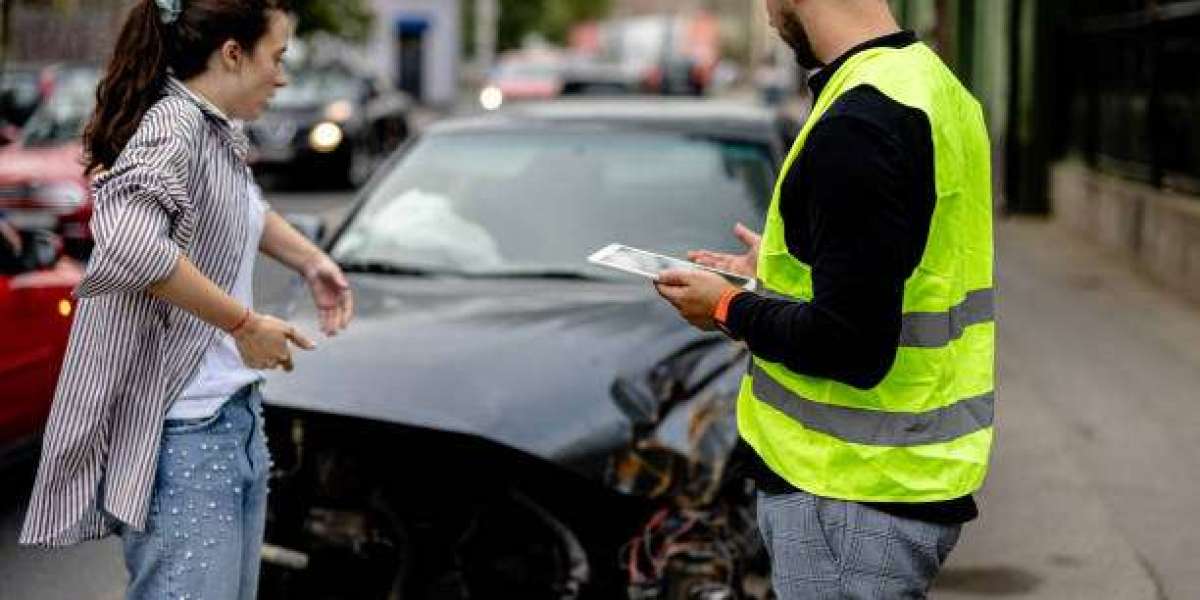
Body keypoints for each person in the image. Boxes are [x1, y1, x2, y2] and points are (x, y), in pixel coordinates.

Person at [653, 0, 995, 597]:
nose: (766, 13)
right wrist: (786, 268)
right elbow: (902, 260)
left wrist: (726, 308)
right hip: (894, 482)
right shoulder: (931, 84)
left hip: (848, 495)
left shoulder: (860, 120)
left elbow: (852, 345)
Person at [19, 1, 354, 599]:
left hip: (232, 420)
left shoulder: (213, 127)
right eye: (276, 58)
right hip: (186, 437)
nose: (282, 77)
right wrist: (244, 323)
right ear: (232, 53)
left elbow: (246, 208)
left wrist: (310, 260)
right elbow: (126, 240)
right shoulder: (174, 124)